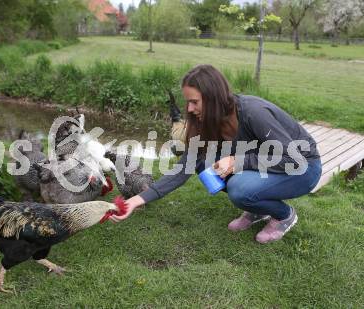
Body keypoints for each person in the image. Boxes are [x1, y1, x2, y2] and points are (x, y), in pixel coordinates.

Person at [110, 64, 322, 244]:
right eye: (188, 102)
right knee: (205, 165)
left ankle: (283, 215)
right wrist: (137, 200)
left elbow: (292, 159)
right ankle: (257, 208)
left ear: (213, 97)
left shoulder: (253, 113)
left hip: (303, 167)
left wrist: (238, 161)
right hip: (268, 164)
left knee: (240, 189)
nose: (190, 109)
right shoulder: (208, 122)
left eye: (195, 102)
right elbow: (182, 170)